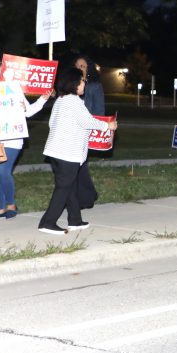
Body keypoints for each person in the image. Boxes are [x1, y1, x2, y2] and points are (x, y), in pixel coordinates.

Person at [38, 67, 117, 234]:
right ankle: (47, 222)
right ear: (73, 83)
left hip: (55, 151)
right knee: (63, 188)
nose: (84, 84)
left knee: (70, 186)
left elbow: (51, 123)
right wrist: (107, 126)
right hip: (67, 152)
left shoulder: (60, 100)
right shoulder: (73, 102)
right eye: (81, 81)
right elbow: (87, 122)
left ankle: (75, 220)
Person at [0, 88, 52, 219]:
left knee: (3, 172)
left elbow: (29, 112)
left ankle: (11, 205)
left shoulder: (15, 91)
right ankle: (1, 208)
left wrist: (43, 99)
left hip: (12, 139)